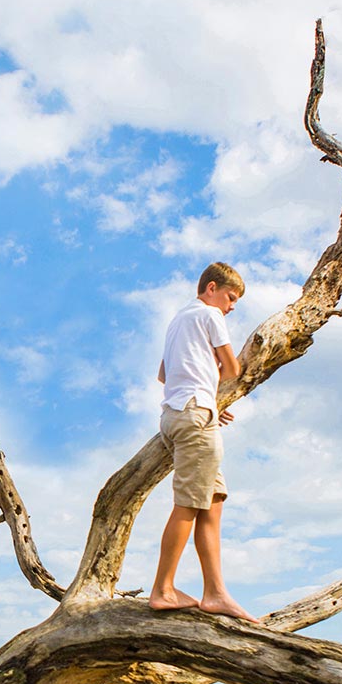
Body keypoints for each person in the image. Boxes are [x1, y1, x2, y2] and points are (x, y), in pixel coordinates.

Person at [148, 262, 257, 622]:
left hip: (178, 414)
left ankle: (215, 592)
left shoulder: (178, 321)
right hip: (195, 418)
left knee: (212, 502)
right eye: (231, 297)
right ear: (211, 288)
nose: (232, 305)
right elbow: (233, 368)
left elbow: (165, 375)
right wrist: (211, 394)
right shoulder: (210, 314)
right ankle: (163, 589)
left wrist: (208, 399)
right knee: (189, 504)